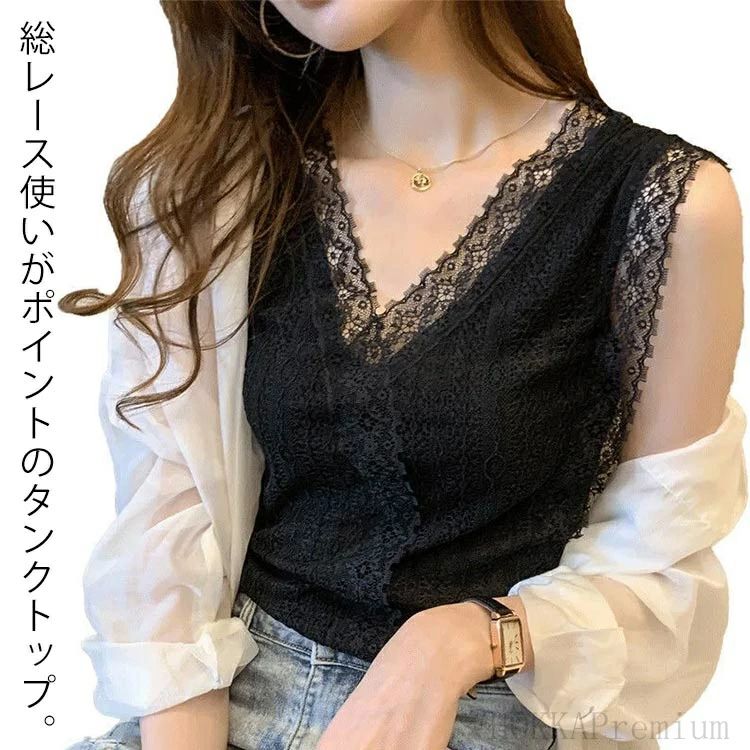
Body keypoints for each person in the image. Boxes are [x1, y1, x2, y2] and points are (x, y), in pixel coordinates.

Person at [61, 1, 746, 749]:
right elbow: (170, 520)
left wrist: (463, 640)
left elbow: (662, 567)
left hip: (493, 718)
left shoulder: (665, 205)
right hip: (224, 704)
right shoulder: (222, 183)